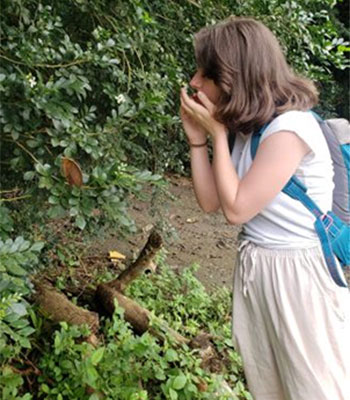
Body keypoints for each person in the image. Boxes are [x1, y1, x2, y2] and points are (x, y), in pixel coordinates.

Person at [180, 16, 350, 400]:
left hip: (299, 273)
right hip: (258, 266)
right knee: (268, 386)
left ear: (235, 77)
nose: (194, 81)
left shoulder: (290, 128)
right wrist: (197, 141)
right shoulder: (249, 125)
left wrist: (217, 135)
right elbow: (211, 202)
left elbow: (237, 209)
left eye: (206, 73)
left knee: (316, 389)